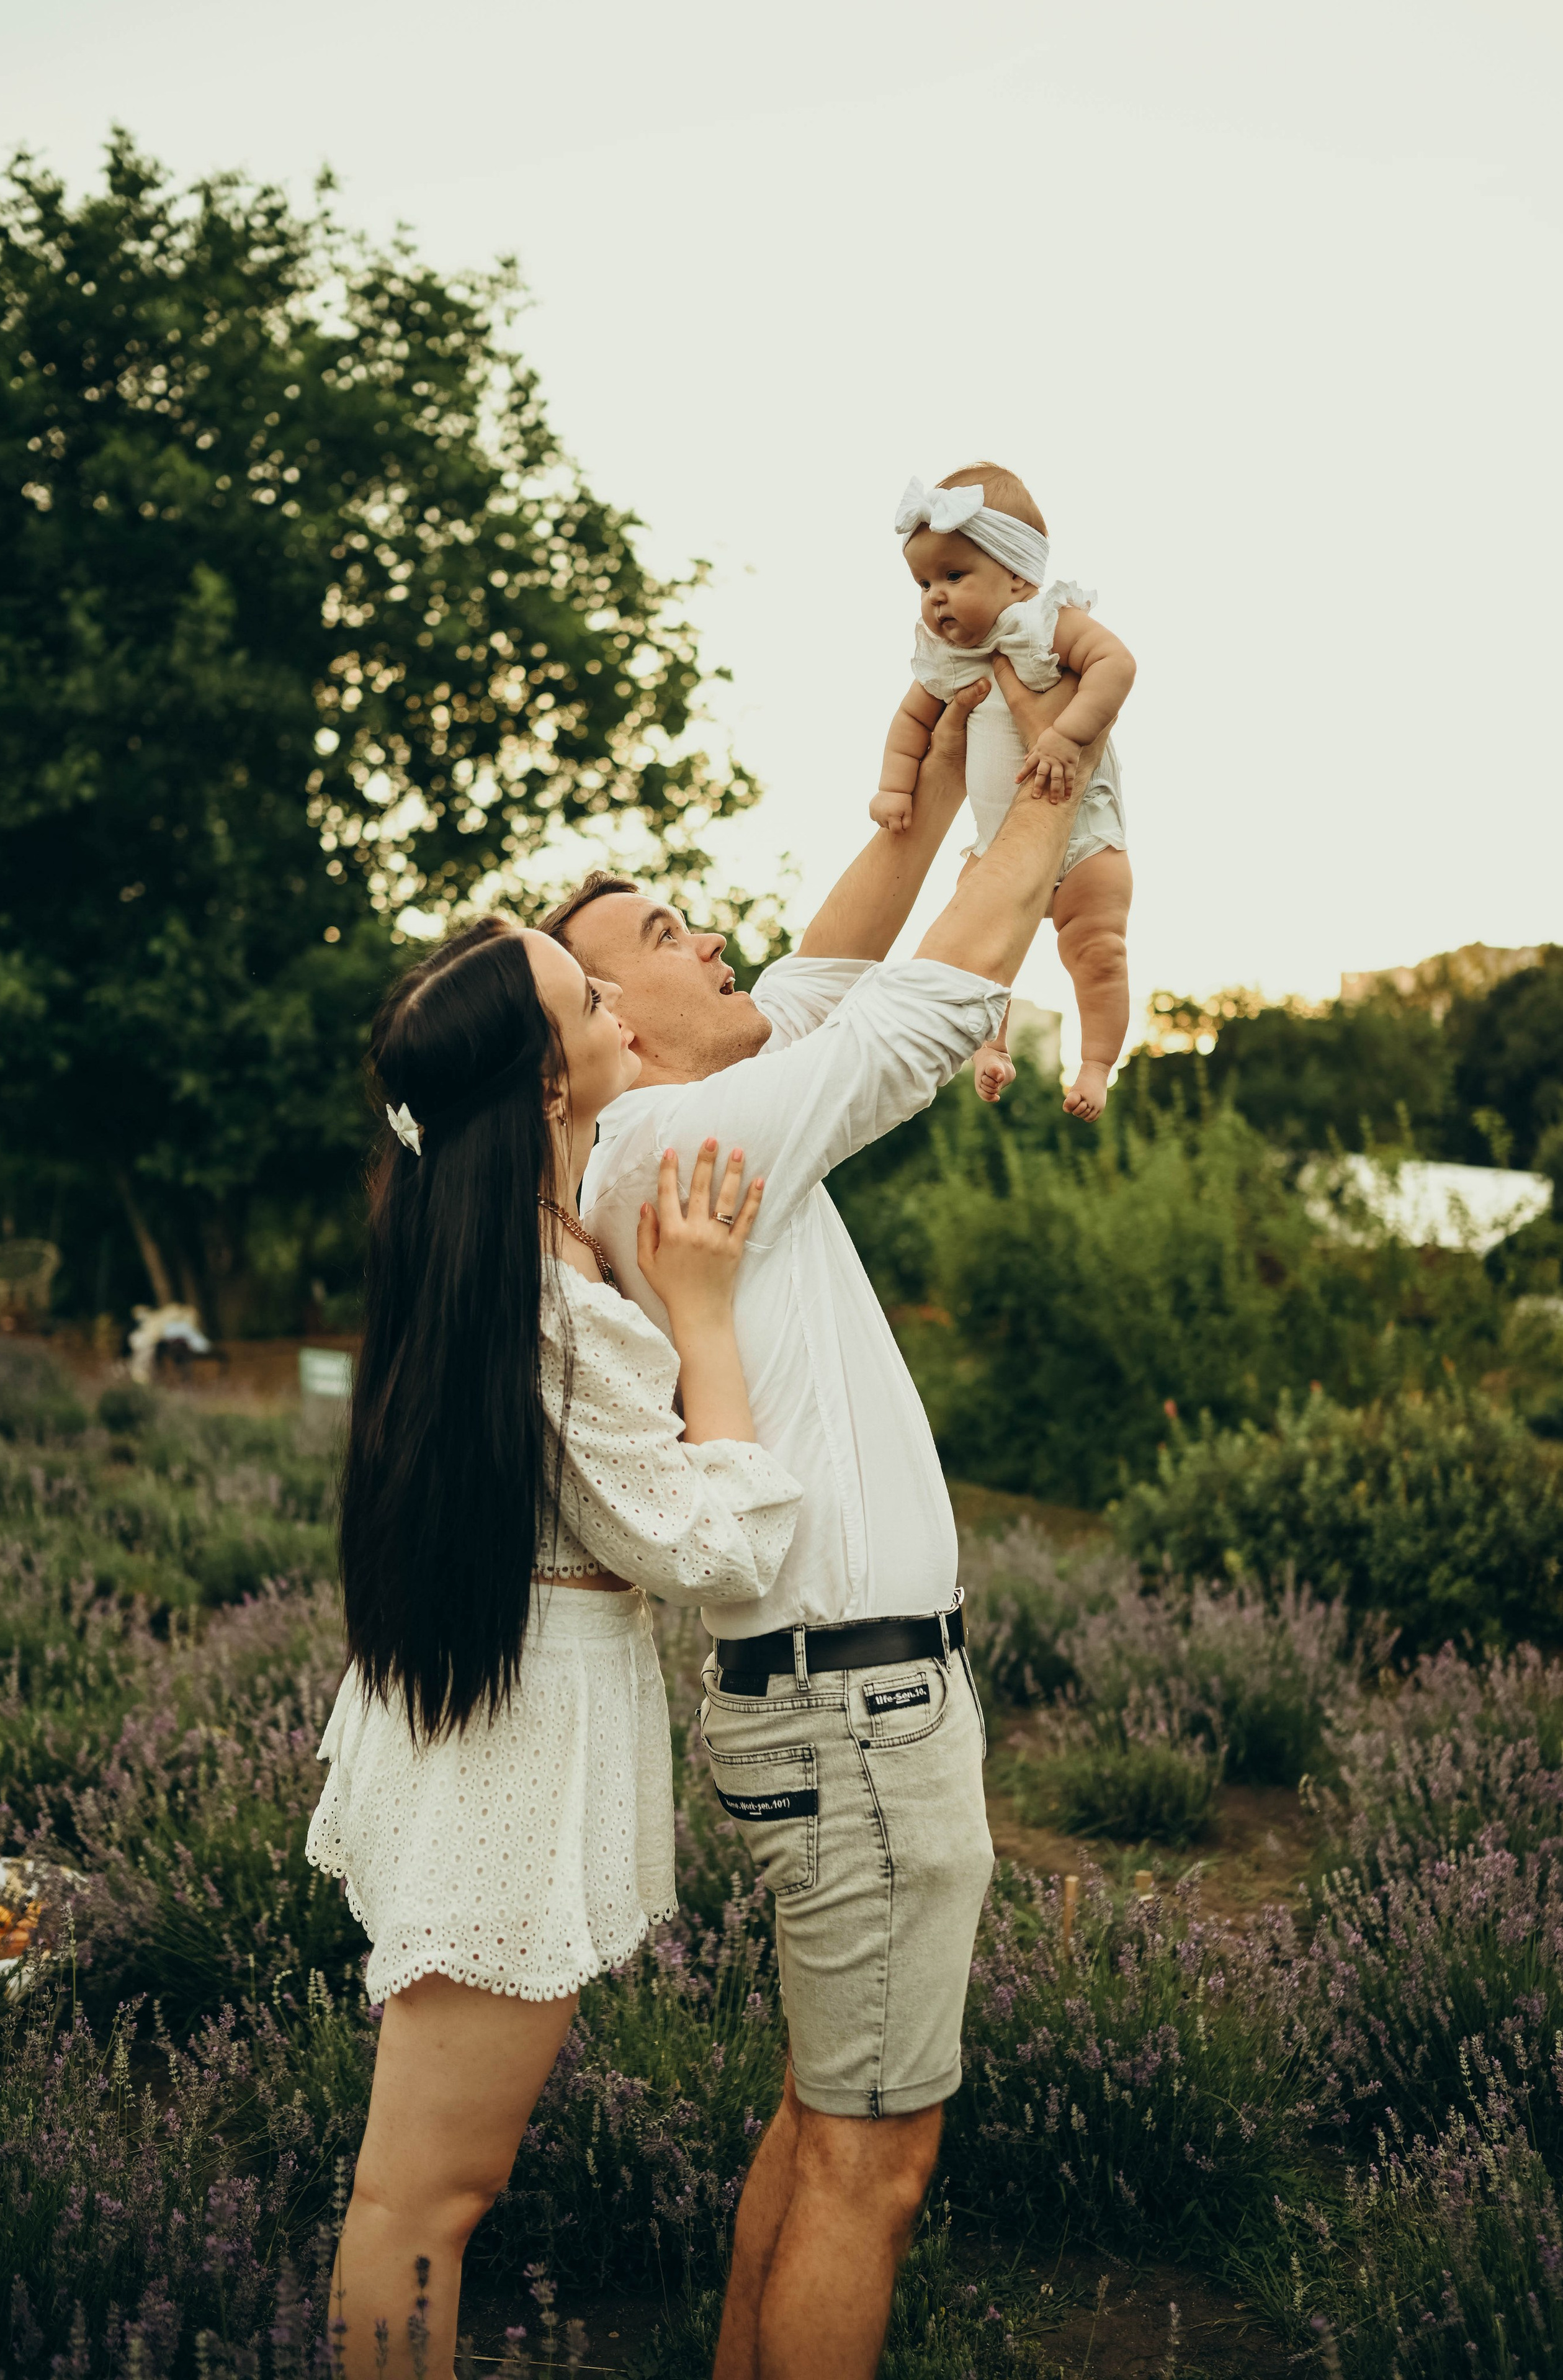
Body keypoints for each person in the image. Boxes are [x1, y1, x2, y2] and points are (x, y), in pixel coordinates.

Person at [546, 667, 1097, 2380]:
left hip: (835, 1701)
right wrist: (1062, 764)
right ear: (613, 1016)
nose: (708, 939)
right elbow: (923, 1004)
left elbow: (834, 968)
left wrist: (924, 766)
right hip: (856, 1714)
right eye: (664, 930)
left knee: (821, 2119)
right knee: (876, 2156)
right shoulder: (681, 1134)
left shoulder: (668, 1126)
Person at [304, 917, 803, 2379]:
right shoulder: (543, 1300)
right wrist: (703, 1321)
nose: (613, 1002)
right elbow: (713, 1545)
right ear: (544, 1080)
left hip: (485, 1730)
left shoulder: (501, 1256)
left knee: (423, 2188)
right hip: (511, 1759)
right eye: (587, 993)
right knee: (424, 2193)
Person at [872, 463, 1137, 1118]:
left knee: (1098, 950)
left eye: (953, 576)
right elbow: (911, 721)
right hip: (995, 845)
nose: (934, 597)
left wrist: (1067, 736)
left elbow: (1116, 664)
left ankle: (1097, 1063)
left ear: (1017, 576)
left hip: (1082, 843)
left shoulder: (1046, 622)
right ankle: (987, 1049)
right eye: (924, 582)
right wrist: (893, 787)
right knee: (973, 955)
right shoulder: (944, 659)